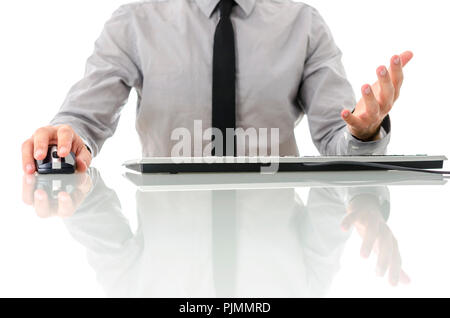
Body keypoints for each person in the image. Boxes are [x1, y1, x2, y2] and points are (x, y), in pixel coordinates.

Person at [21, 0, 413, 174]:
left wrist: (363, 133)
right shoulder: (134, 23)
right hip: (169, 252)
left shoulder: (304, 25)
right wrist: (66, 136)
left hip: (275, 258)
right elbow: (84, 120)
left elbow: (335, 138)